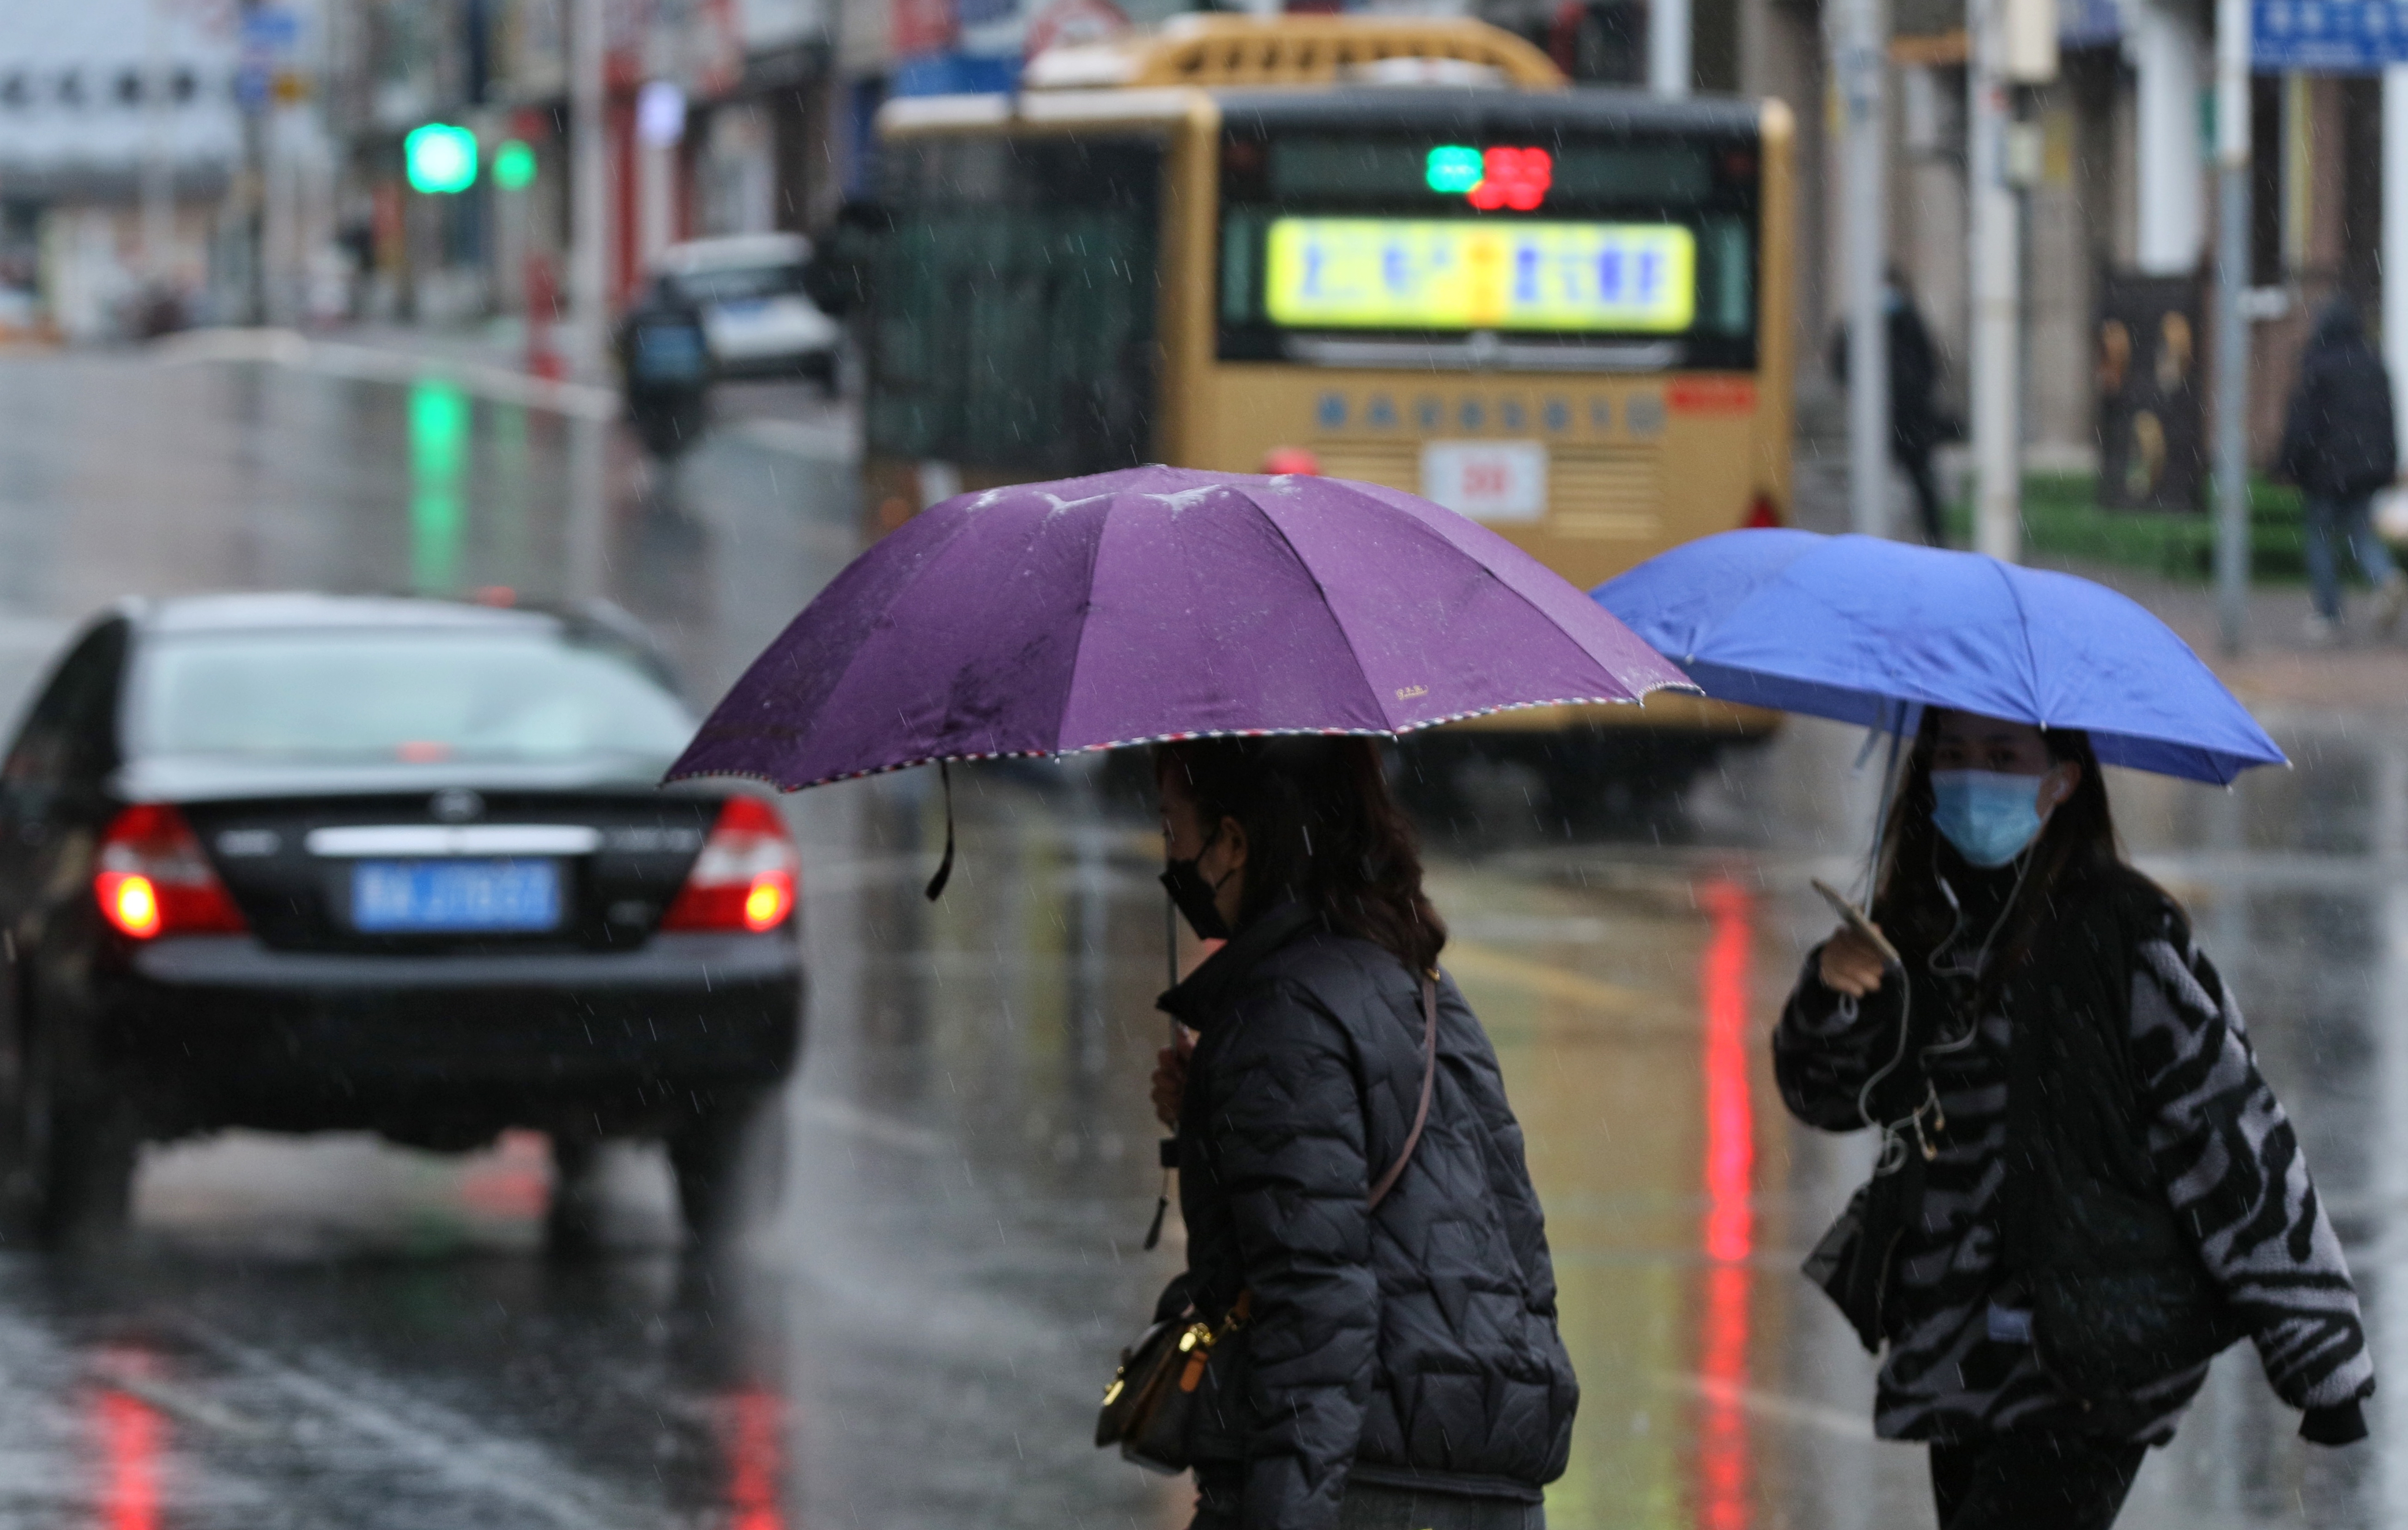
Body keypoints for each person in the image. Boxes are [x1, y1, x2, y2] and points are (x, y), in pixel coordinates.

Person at [1777, 708, 2373, 1530]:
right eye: (1950, 755)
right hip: (1956, 1346)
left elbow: (2231, 1134)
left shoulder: (2120, 933)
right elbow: (1827, 1094)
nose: (1970, 775)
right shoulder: (1916, 926)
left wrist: (2320, 1358)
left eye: (1999, 756)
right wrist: (1830, 992)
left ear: (2060, 780)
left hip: (2085, 1351)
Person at [1146, 736, 1576, 1530]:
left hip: (1364, 1482)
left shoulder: (1276, 1015)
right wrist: (1211, 1109)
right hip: (1492, 1476)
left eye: (1173, 830)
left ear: (1232, 843)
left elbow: (1313, 1301)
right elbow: (1518, 1247)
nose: (1168, 856)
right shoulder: (1426, 987)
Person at [2275, 296, 2404, 645]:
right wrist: (2388, 464)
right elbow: (2386, 421)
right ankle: (2386, 576)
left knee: (2320, 537)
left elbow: (2303, 423)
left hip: (2325, 472)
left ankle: (2329, 614)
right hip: (2365, 469)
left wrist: (2287, 465)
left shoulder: (2318, 365)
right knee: (2360, 534)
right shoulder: (2374, 365)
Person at [1830, 266, 1952, 546]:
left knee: (1921, 485)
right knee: (1873, 484)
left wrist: (1911, 392)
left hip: (1910, 421)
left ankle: (1934, 541)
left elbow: (1930, 365)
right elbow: (1840, 362)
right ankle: (1869, 539)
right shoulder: (1860, 322)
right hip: (1880, 419)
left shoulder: (1909, 321)